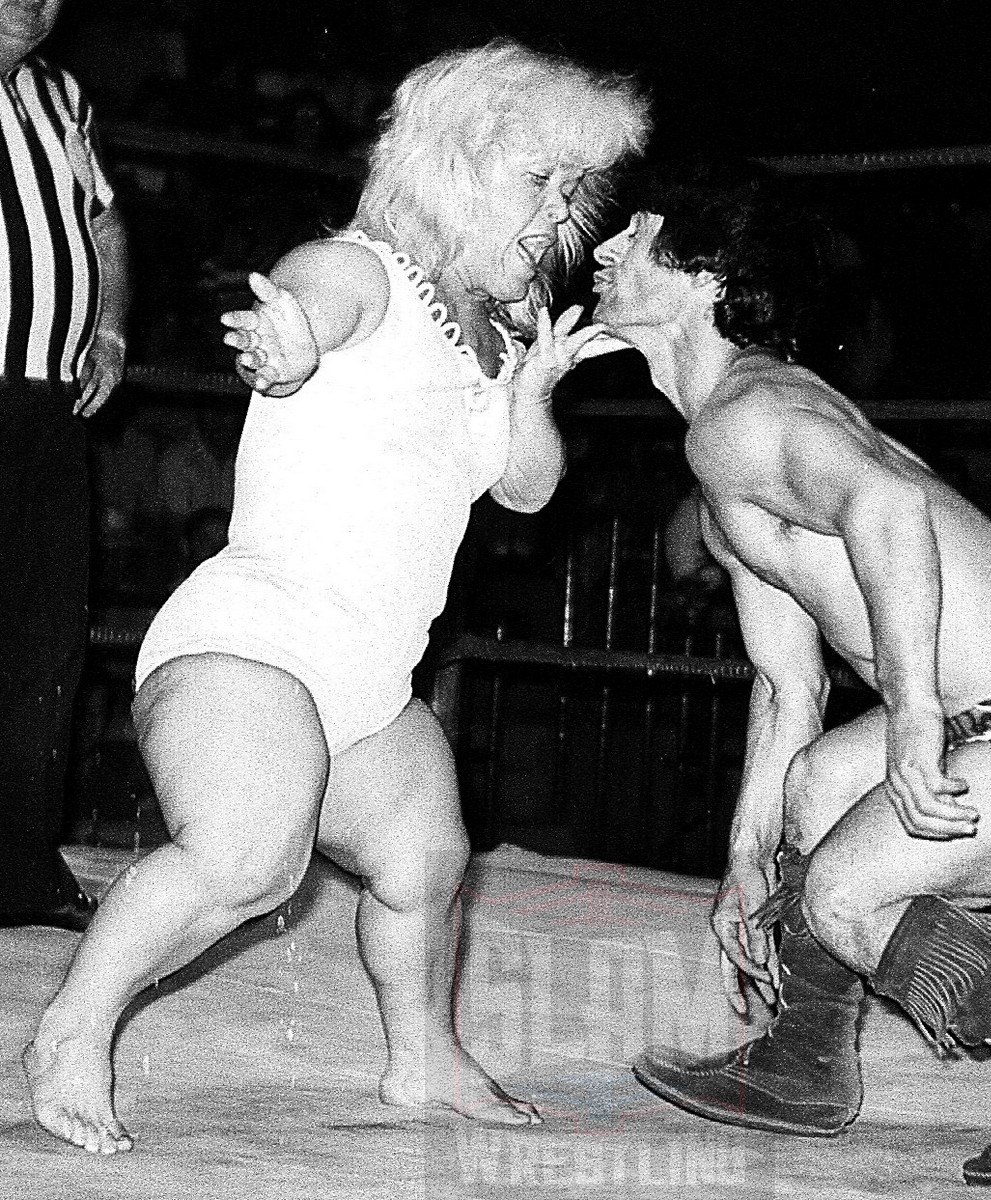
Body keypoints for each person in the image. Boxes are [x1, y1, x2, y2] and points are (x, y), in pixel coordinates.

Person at [24, 40, 649, 1154]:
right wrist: (290, 340)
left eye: (573, 190)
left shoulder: (493, 338)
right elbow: (310, 304)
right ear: (455, 170)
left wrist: (538, 389)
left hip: (362, 676)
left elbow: (525, 490)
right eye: (537, 183)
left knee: (427, 858)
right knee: (248, 859)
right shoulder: (361, 272)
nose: (561, 216)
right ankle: (73, 1026)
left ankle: (424, 1058)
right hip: (250, 643)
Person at [591, 160, 991, 1187]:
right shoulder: (724, 449)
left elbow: (890, 510)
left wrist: (909, 725)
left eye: (633, 233)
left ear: (704, 275)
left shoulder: (744, 417)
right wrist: (746, 859)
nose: (601, 249)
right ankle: (802, 1062)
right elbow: (788, 690)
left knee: (845, 900)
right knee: (814, 788)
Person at [0, 0, 129, 932]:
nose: (29, 1)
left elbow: (106, 226)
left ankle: (20, 867)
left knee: (46, 644)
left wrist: (112, 326)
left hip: (49, 409)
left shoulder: (62, 96)